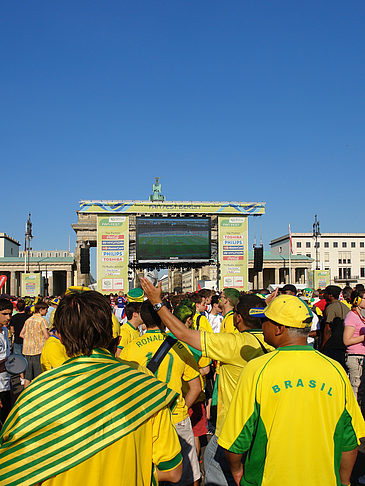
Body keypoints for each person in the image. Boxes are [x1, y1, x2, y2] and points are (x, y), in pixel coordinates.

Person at [0, 290, 182, 486]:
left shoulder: (36, 396)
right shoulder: (146, 387)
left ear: (60, 336)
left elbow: (12, 475)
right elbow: (173, 472)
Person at [217, 294, 365, 486]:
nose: (261, 326)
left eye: (265, 321)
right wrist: (344, 481)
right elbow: (349, 439)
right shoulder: (335, 369)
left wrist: (237, 470)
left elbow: (236, 440)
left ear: (279, 328)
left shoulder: (257, 369)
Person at [140, 278, 270, 486]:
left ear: (238, 318)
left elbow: (182, 333)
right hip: (265, 429)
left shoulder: (234, 344)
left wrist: (158, 303)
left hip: (232, 432)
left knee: (216, 470)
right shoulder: (274, 343)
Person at [120, 299, 202, 486]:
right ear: (166, 317)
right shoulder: (180, 346)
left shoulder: (130, 348)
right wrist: (182, 407)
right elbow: (196, 387)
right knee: (187, 477)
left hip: (144, 420)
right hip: (175, 417)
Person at [20, 301, 50, 386]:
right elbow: (46, 336)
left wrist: (30, 338)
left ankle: (25, 395)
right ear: (41, 310)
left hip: (27, 351)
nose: (47, 312)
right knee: (38, 377)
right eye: (46, 310)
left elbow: (21, 334)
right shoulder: (42, 321)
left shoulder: (28, 320)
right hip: (38, 350)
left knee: (28, 377)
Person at [343, 289, 365, 402]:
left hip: (361, 356)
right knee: (356, 390)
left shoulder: (360, 316)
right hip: (356, 357)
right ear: (357, 300)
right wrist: (363, 337)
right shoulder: (352, 316)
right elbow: (346, 340)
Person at [321, 285, 350, 369]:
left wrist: (323, 346)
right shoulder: (346, 307)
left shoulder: (330, 308)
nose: (323, 295)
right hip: (344, 344)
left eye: (325, 293)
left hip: (332, 345)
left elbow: (328, 329)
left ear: (330, 295)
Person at [0, 299, 13, 425]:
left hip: (6, 384)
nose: (8, 317)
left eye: (10, 314)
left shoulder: (4, 331)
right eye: (4, 314)